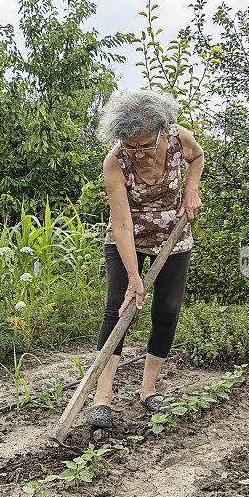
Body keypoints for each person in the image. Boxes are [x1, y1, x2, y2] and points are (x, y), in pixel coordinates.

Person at [86, 89, 204, 428]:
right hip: (129, 236)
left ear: (160, 130)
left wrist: (191, 189)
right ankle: (102, 399)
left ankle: (148, 389)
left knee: (166, 311)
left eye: (145, 145)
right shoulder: (115, 162)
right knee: (118, 308)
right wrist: (134, 278)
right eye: (130, 146)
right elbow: (121, 223)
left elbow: (197, 159)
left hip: (173, 233)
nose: (138, 153)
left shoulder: (179, 138)